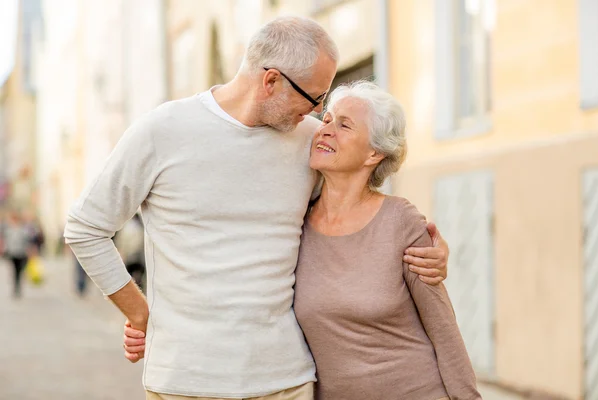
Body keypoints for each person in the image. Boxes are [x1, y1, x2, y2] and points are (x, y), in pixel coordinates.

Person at [65, 17, 449, 400]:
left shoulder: (312, 141)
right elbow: (85, 228)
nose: (317, 110)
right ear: (271, 81)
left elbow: (356, 215)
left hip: (286, 381)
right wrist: (140, 313)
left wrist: (420, 250)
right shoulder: (162, 130)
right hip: (186, 382)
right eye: (314, 97)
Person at [294, 81, 480, 399]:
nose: (326, 130)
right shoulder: (295, 223)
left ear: (373, 153)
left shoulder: (401, 221)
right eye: (326, 120)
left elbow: (443, 328)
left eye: (344, 125)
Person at [4, 211, 30, 298]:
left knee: (19, 271)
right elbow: (7, 242)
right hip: (12, 253)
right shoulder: (8, 230)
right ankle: (16, 288)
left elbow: (26, 240)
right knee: (14, 271)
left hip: (21, 253)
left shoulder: (22, 229)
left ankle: (18, 286)